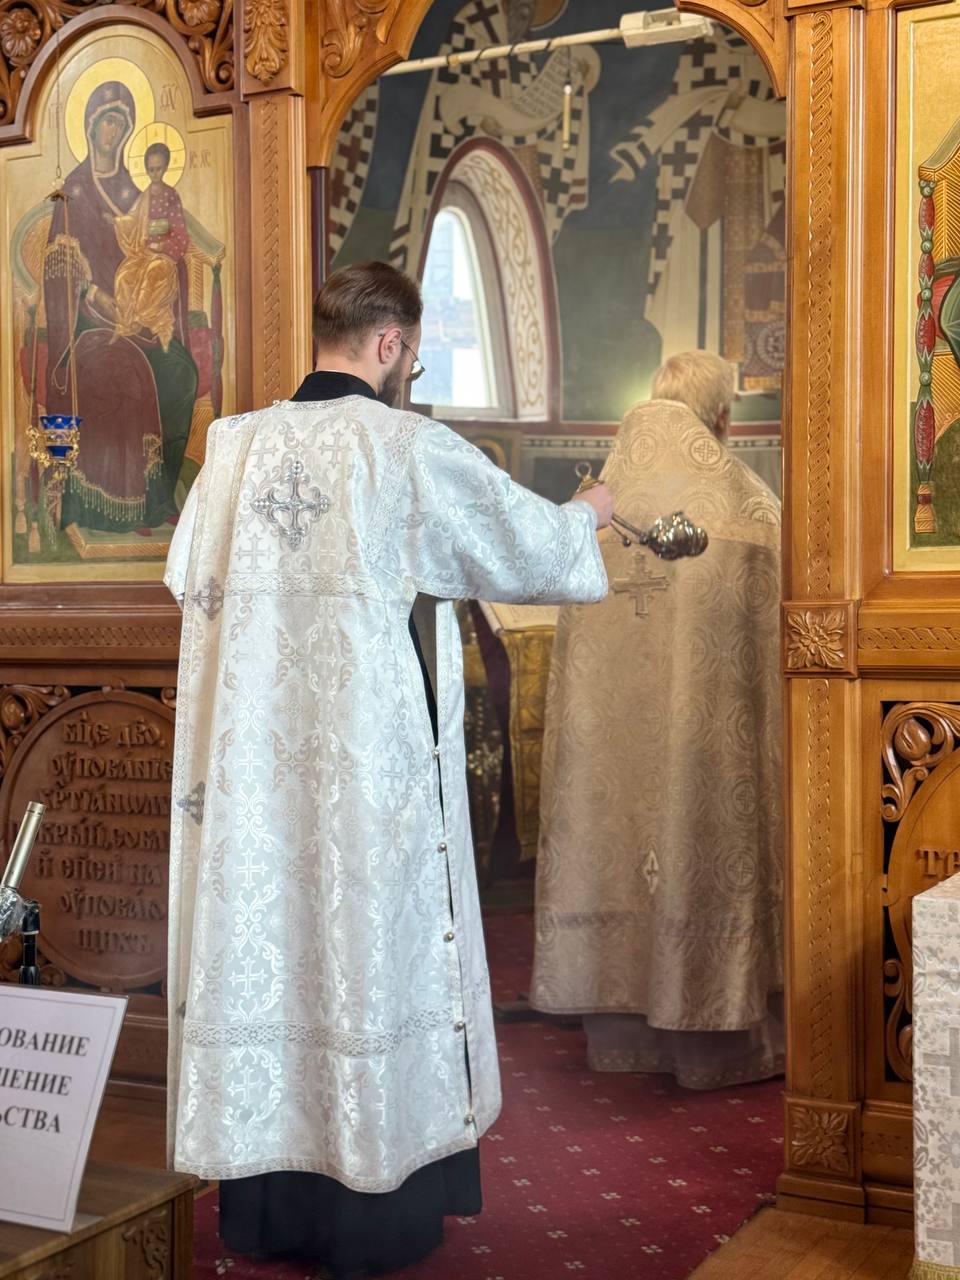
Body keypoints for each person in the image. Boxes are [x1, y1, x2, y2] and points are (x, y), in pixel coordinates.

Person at [163, 260, 613, 1278]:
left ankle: (270, 1212)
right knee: (367, 950)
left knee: (275, 948)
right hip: (365, 775)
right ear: (391, 343)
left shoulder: (232, 447)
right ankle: (373, 1209)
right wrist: (590, 509)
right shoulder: (404, 446)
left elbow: (186, 577)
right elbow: (528, 547)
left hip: (253, 776)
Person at [530, 350, 784, 1090]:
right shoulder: (746, 505)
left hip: (613, 756)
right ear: (723, 417)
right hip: (705, 751)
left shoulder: (599, 506)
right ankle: (720, 1039)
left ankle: (619, 1033)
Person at [42, 83, 197, 535]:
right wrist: (93, 293)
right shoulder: (73, 192)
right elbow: (59, 269)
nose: (113, 130)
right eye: (106, 121)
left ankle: (160, 496)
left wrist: (162, 263)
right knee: (124, 377)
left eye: (120, 123)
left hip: (138, 318)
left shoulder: (134, 191)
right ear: (90, 126)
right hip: (89, 326)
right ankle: (118, 506)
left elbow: (160, 248)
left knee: (181, 373)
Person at [113, 142, 190, 353]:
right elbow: (132, 221)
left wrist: (162, 245)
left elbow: (180, 234)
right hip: (144, 253)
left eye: (159, 169)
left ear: (165, 168)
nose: (155, 174)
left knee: (152, 272)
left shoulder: (171, 195)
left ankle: (144, 323)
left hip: (164, 256)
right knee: (124, 275)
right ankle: (127, 327)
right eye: (151, 169)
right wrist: (117, 222)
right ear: (146, 170)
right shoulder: (144, 197)